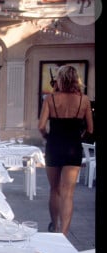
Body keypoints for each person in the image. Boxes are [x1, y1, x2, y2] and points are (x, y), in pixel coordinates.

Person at [38, 65, 93, 235]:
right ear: (77, 79)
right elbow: (91, 129)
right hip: (73, 147)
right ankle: (64, 234)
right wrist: (79, 137)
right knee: (68, 193)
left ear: (60, 79)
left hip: (54, 146)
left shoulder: (50, 98)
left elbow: (41, 127)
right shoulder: (84, 100)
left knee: (54, 189)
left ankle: (54, 227)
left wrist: (48, 137)